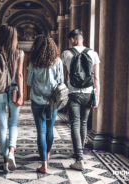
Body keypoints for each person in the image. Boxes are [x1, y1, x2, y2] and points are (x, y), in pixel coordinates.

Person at [61, 29, 100, 170]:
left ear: (72, 39)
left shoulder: (66, 54)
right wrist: (97, 97)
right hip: (89, 93)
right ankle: (80, 153)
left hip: (73, 93)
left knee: (75, 125)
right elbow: (96, 79)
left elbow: (63, 75)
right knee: (83, 123)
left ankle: (79, 158)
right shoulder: (93, 53)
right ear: (82, 39)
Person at [0, 24, 25, 171]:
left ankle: (5, 159)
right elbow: (20, 75)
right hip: (14, 90)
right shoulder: (19, 53)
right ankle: (11, 152)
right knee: (13, 124)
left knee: (2, 126)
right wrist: (22, 95)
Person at [27, 35, 64, 173]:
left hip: (37, 100)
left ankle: (44, 164)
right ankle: (47, 154)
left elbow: (29, 82)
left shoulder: (33, 62)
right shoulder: (57, 61)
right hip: (52, 100)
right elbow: (61, 81)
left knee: (41, 131)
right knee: (49, 129)